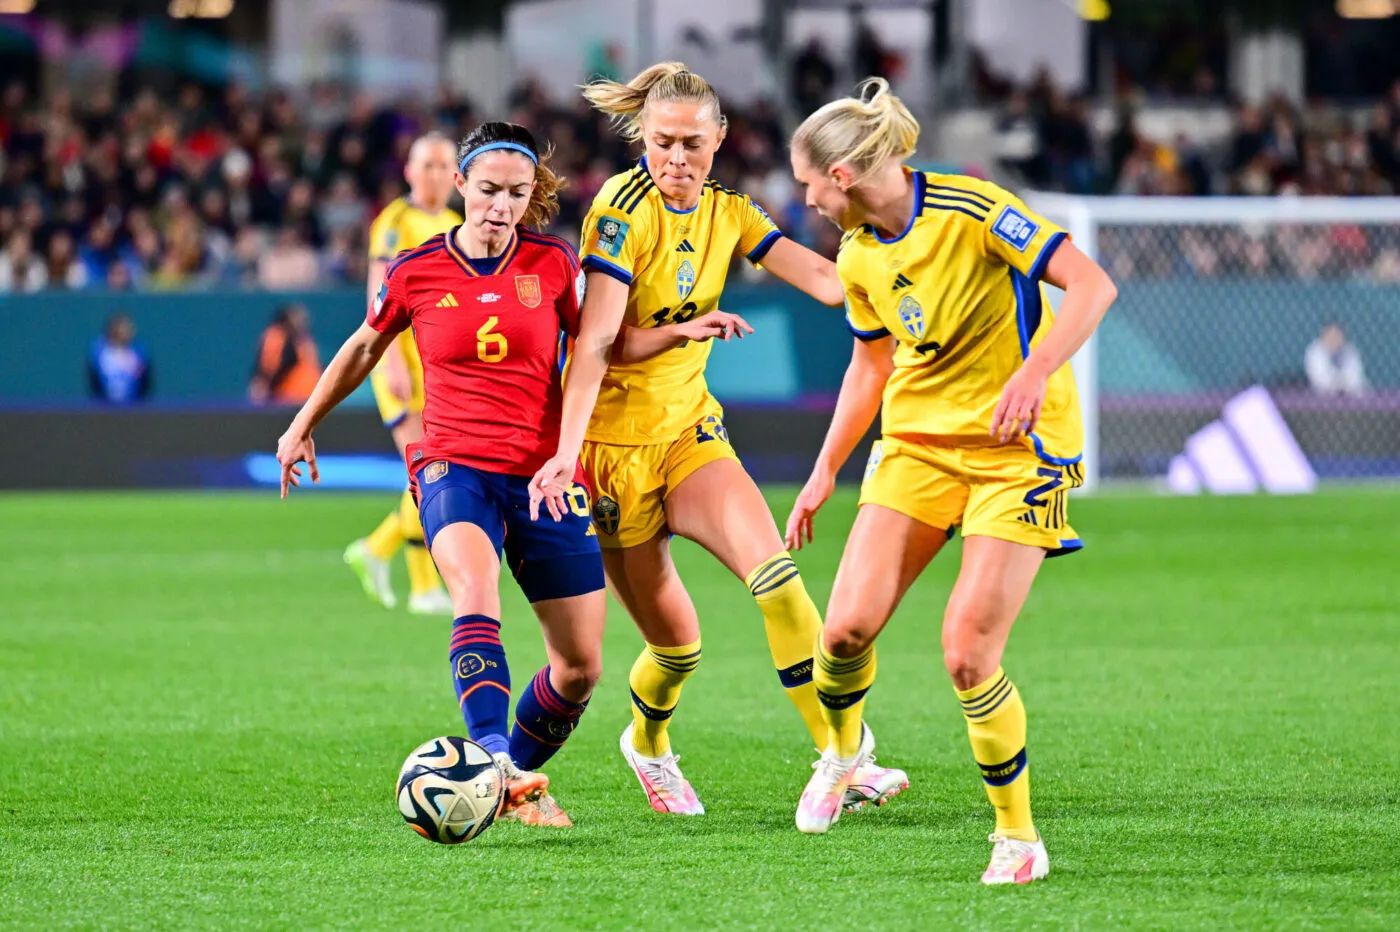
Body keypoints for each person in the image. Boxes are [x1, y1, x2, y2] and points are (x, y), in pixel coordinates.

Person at [529, 62, 907, 817]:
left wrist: (896, 239)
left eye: (692, 145)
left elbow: (831, 282)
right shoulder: (618, 210)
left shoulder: (731, 211)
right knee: (677, 649)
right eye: (663, 143)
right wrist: (567, 453)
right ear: (644, 139)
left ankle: (842, 757)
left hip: (689, 435)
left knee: (778, 580)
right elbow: (599, 341)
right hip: (609, 453)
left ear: (720, 139)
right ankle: (648, 743)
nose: (676, 159)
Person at [783, 80, 1117, 883]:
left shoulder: (973, 209)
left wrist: (1035, 370)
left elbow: (1093, 286)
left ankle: (1019, 838)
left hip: (1018, 450)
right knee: (842, 633)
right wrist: (825, 469)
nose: (803, 199)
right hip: (919, 448)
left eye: (807, 183)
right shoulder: (859, 255)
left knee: (968, 652)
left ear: (847, 173)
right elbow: (871, 364)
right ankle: (846, 754)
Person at [276, 123, 604, 828]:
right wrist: (304, 421)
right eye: (487, 191)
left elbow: (598, 349)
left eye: (517, 194)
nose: (500, 206)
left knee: (579, 669)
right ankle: (492, 755)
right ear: (459, 187)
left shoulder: (552, 263)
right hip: (452, 462)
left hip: (542, 476)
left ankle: (508, 775)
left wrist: (675, 331)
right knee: (473, 585)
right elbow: (366, 346)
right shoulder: (416, 267)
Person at [343, 132, 462, 617]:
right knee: (425, 471)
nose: (434, 175)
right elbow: (379, 298)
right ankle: (422, 587)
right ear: (410, 171)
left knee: (433, 469)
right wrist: (389, 360)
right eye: (426, 165)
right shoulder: (394, 222)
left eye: (442, 166)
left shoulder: (458, 223)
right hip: (403, 363)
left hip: (440, 366)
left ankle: (376, 549)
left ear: (456, 176)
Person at [248, 303, 322, 405]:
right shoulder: (276, 336)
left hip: (299, 397)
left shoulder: (303, 342)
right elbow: (270, 366)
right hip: (294, 398)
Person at [87, 313, 152, 404]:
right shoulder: (100, 352)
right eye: (124, 328)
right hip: (104, 408)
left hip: (133, 408)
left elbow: (145, 381)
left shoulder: (138, 353)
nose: (129, 331)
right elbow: (94, 381)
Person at [1304, 322, 1368, 397]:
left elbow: (1356, 380)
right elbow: (1320, 381)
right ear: (1323, 336)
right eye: (1330, 335)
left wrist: (1342, 384)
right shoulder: (1315, 351)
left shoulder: (1350, 351)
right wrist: (1342, 383)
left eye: (1337, 335)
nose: (1334, 339)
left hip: (1350, 397)